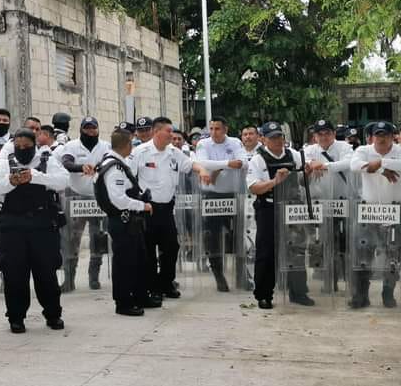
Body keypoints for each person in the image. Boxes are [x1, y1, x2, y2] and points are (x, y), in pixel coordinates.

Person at [0, 129, 69, 332]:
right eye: (18, 146)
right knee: (14, 274)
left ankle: (53, 314)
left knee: (46, 273)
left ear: (34, 145)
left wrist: (35, 177)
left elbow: (63, 181)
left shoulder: (47, 161)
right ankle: (16, 317)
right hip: (13, 227)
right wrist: (10, 182)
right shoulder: (6, 163)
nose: (22, 150)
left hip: (42, 226)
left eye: (27, 146)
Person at [132, 116, 203, 301]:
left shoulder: (174, 152)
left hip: (166, 209)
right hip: (147, 209)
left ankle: (166, 283)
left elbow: (189, 165)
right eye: (169, 131)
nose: (172, 135)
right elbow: (130, 179)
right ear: (157, 132)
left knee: (171, 248)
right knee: (148, 251)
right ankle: (152, 287)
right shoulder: (140, 152)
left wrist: (201, 170)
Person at [246, 122, 312, 309]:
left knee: (296, 250)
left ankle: (298, 292)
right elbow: (253, 187)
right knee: (266, 253)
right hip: (268, 209)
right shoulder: (258, 160)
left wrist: (307, 173)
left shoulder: (295, 156)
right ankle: (264, 295)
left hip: (292, 209)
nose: (277, 141)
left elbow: (302, 180)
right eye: (272, 137)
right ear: (263, 139)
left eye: (279, 137)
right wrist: (275, 182)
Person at [350, 121, 401, 308]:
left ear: (393, 136)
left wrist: (379, 163)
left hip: (393, 210)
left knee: (392, 255)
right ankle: (361, 294)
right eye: (378, 135)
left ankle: (388, 292)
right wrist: (383, 169)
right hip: (368, 211)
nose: (381, 138)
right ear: (372, 137)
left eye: (385, 135)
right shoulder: (363, 150)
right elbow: (355, 166)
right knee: (363, 255)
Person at [95, 127, 154, 316]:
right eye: (132, 142)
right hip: (123, 221)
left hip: (130, 222)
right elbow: (118, 199)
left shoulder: (117, 163)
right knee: (125, 263)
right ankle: (124, 302)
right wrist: (141, 205)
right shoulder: (114, 167)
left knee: (138, 260)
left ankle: (140, 295)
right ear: (126, 144)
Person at [192, 117, 248, 291]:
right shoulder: (203, 144)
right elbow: (202, 163)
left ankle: (242, 272)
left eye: (217, 128)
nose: (214, 132)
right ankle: (218, 274)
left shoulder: (235, 142)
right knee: (213, 237)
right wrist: (227, 163)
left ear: (225, 129)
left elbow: (243, 163)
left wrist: (218, 168)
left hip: (233, 194)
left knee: (237, 235)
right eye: (211, 128)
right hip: (211, 195)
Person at [57, 116, 111, 291]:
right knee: (71, 239)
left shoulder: (105, 146)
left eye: (93, 128)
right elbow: (66, 162)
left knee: (98, 239)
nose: (90, 131)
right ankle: (69, 278)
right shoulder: (72, 146)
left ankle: (93, 277)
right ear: (81, 130)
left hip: (98, 198)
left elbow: (110, 164)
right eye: (86, 128)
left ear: (97, 129)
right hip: (76, 197)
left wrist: (98, 168)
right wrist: (81, 167)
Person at [304, 119, 355, 291]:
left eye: (327, 133)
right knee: (325, 244)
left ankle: (351, 282)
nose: (324, 137)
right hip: (321, 205)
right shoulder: (309, 149)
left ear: (334, 134)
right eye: (320, 134)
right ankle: (329, 280)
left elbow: (348, 163)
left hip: (343, 203)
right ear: (315, 136)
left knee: (345, 244)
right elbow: (306, 163)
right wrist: (312, 164)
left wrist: (323, 165)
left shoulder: (344, 147)